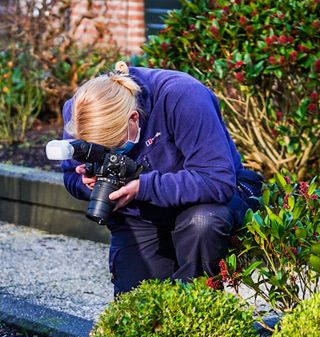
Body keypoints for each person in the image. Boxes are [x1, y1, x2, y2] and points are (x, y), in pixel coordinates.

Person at [61, 61, 257, 295]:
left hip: (205, 202)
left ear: (134, 119)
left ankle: (199, 307)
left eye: (113, 147)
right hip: (140, 213)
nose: (111, 156)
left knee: (202, 224)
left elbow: (216, 180)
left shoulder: (183, 96)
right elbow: (71, 174)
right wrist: (88, 185)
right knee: (136, 309)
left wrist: (142, 187)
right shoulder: (82, 112)